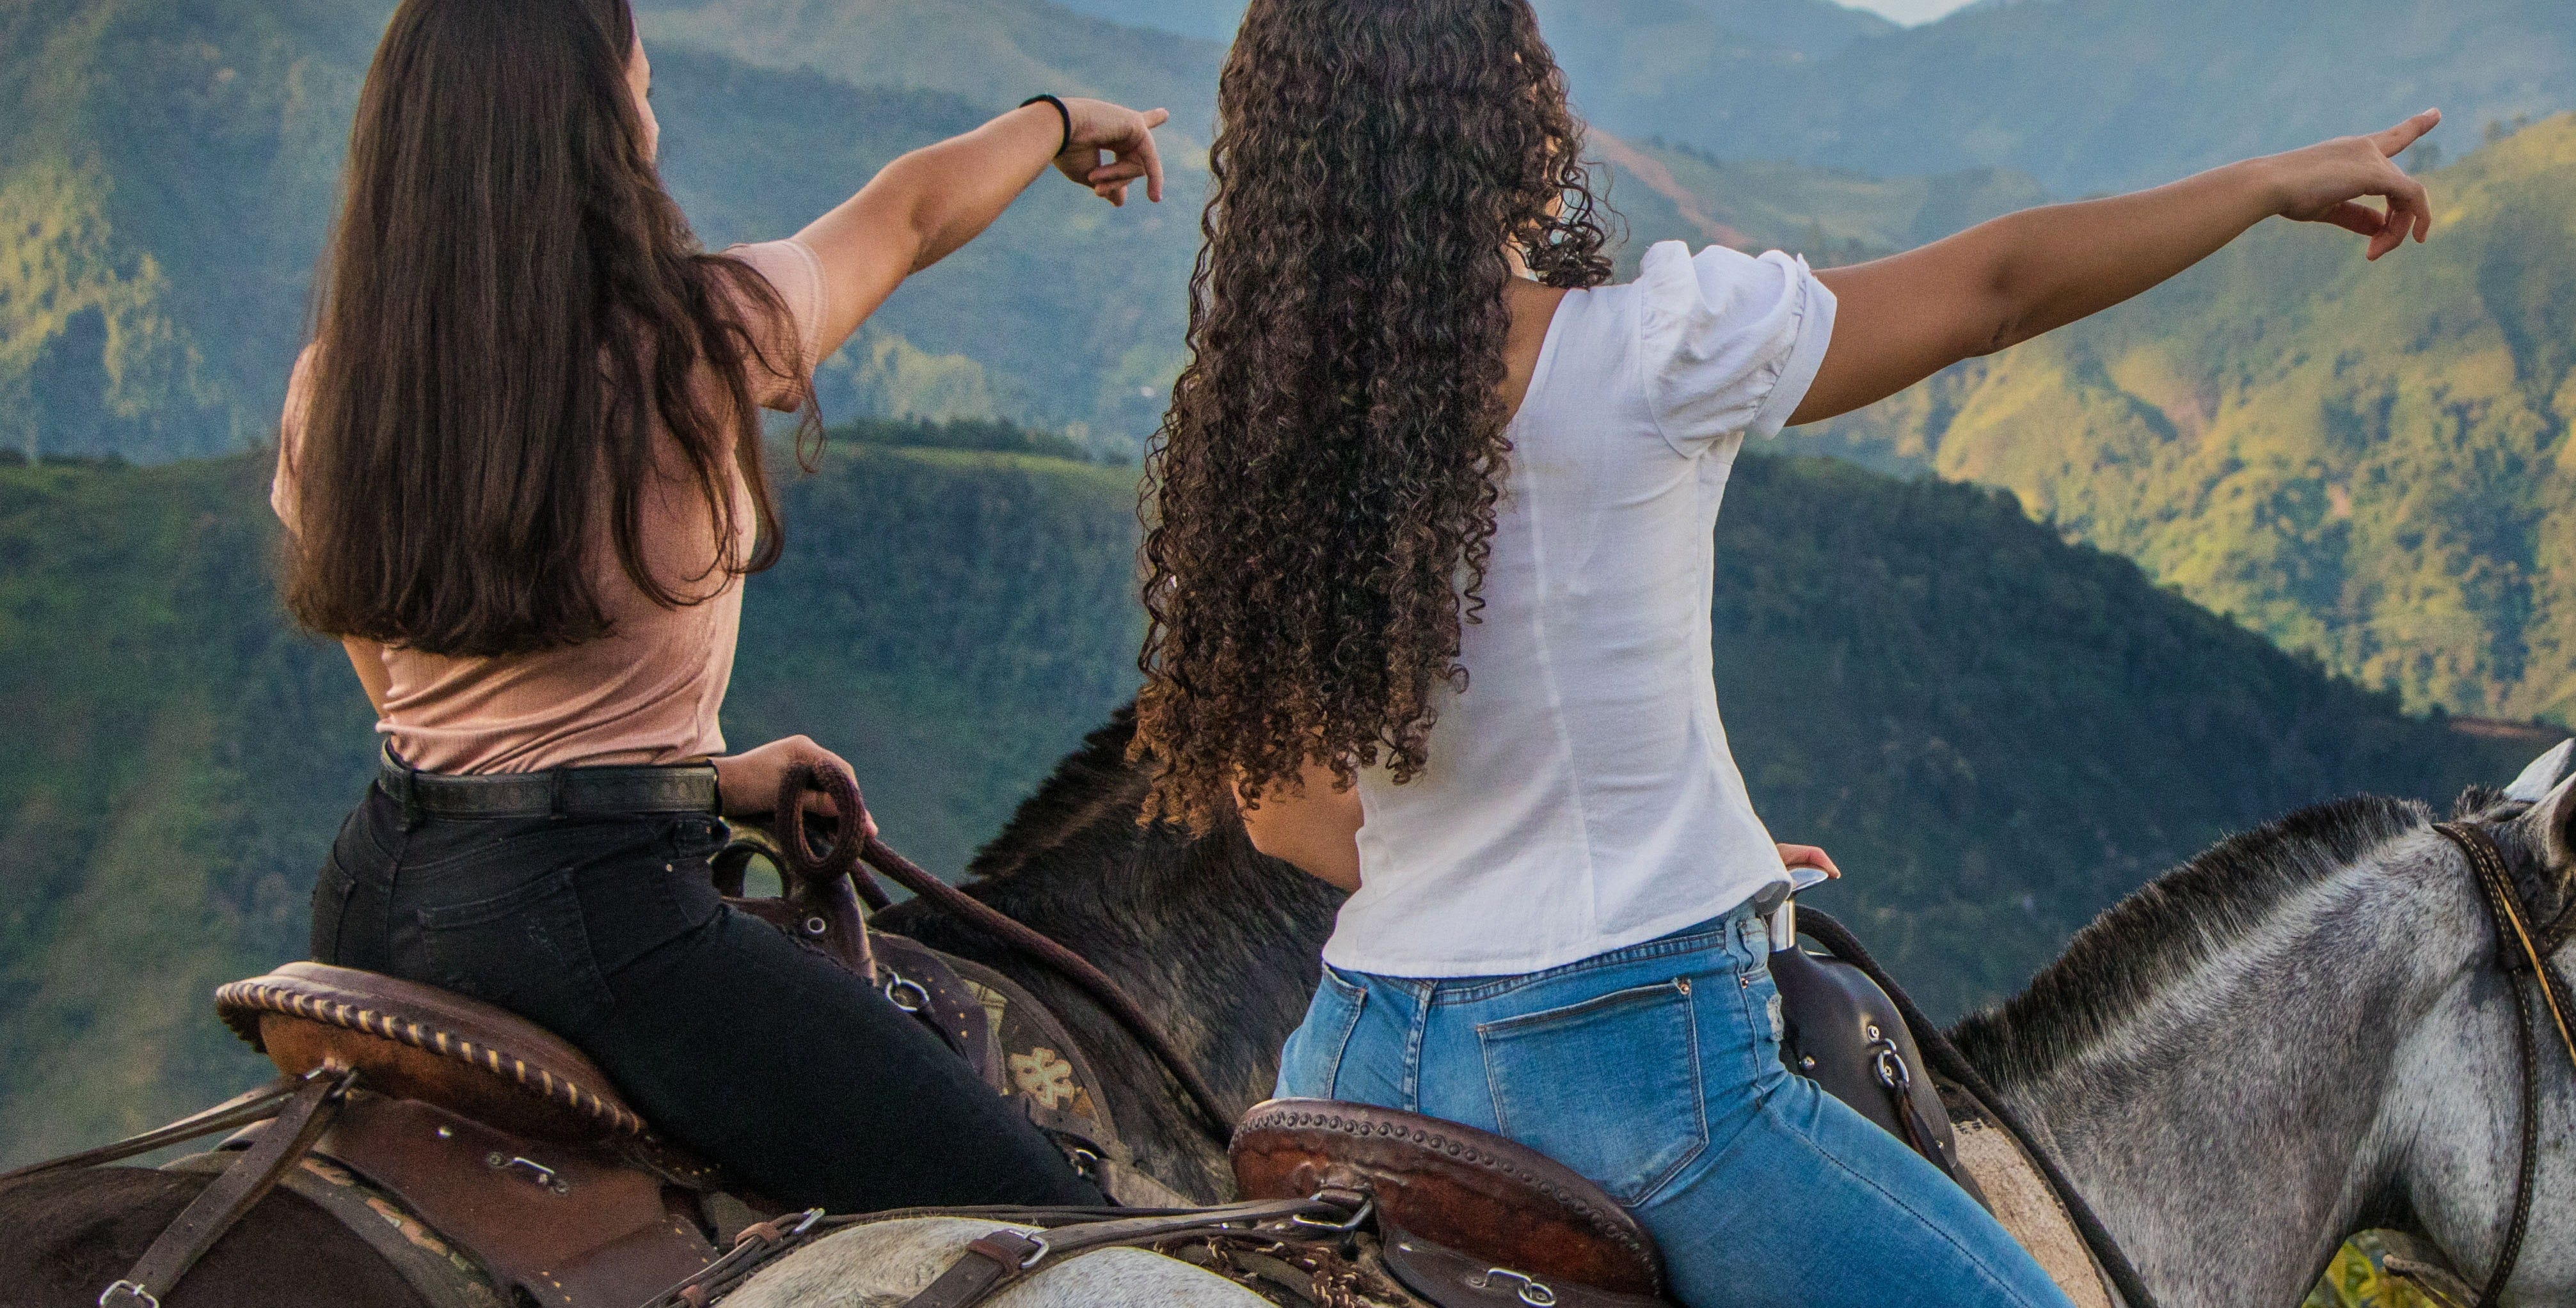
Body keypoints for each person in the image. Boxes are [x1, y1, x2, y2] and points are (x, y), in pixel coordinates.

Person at [1137, 0, 2435, 1302]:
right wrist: (2268, 183)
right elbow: (1994, 290)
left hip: (1355, 1060)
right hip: (1637, 1083)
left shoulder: (1262, 436)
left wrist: (1685, 859)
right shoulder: (1650, 348)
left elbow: (1289, 820)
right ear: (1496, 115)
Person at [274, 0, 1173, 1213]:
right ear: (592, 128)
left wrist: (685, 777)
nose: (654, 112)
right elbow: (904, 217)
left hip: (379, 886)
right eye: (638, 87)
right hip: (599, 925)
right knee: (1047, 1225)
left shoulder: (346, 376)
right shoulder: (693, 338)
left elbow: (385, 657)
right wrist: (1054, 120)